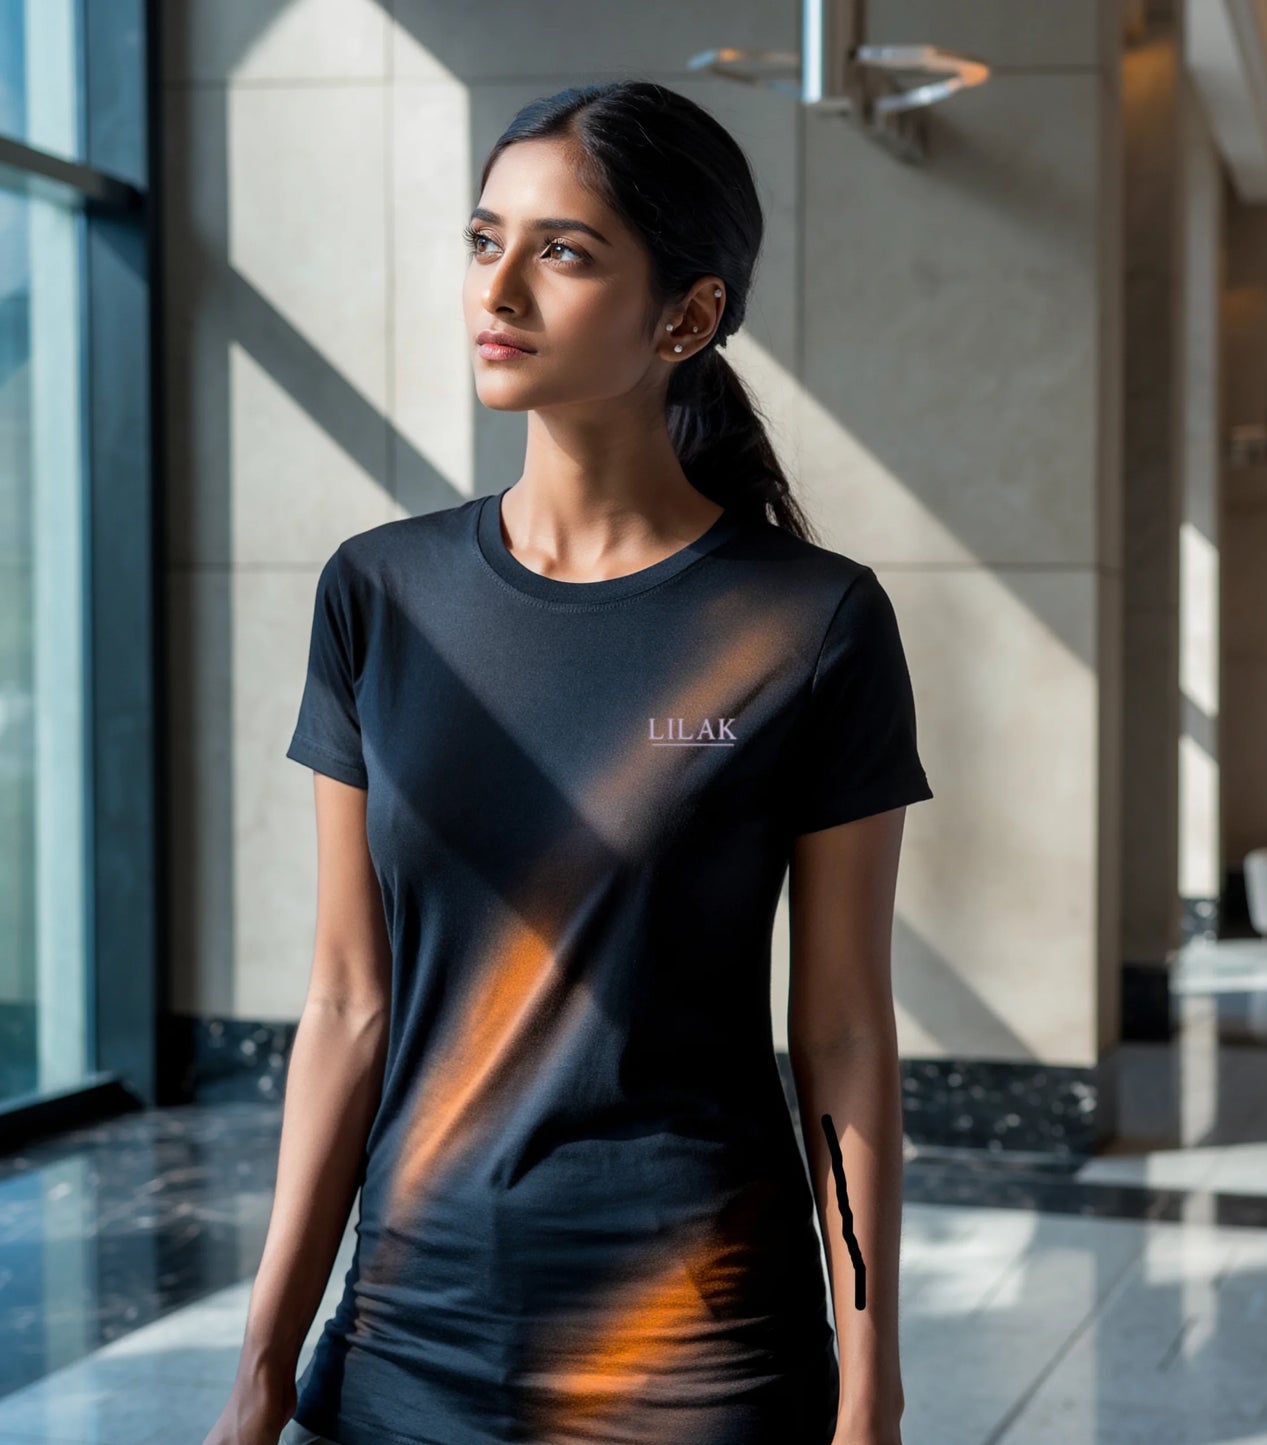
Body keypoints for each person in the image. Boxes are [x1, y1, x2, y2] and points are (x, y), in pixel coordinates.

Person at [204, 78, 932, 1445]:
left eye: (565, 250)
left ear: (687, 317)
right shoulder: (380, 592)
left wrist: (867, 1389)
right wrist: (257, 1370)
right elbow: (350, 1003)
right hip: (408, 1335)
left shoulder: (810, 623)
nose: (502, 289)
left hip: (694, 1350)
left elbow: (838, 1033)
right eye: (487, 241)